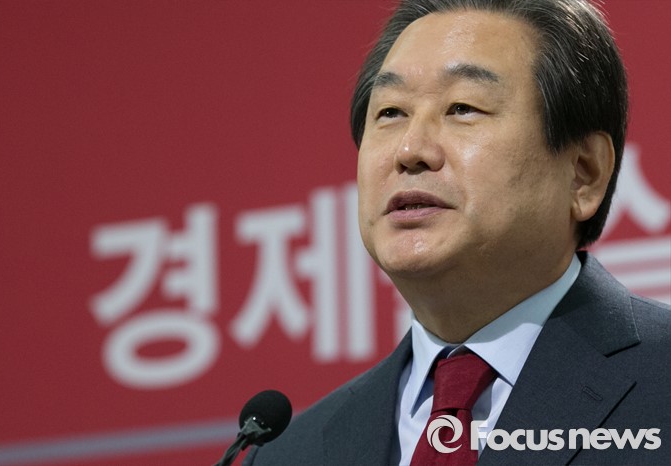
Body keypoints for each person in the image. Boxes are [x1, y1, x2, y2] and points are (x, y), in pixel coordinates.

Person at [244, 0, 671, 464]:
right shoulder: (290, 454)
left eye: (462, 108)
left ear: (583, 173)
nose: (410, 150)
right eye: (390, 112)